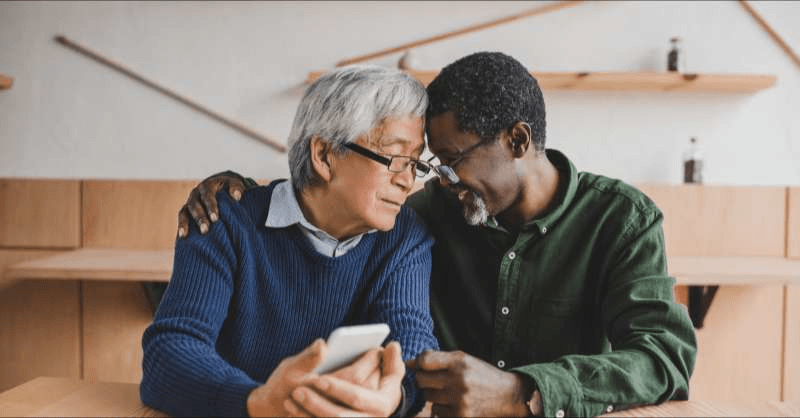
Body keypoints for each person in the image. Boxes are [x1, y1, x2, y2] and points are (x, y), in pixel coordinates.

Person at [178, 52, 697, 417]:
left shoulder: (620, 219)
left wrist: (526, 392)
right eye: (426, 164)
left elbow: (663, 357)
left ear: (517, 140)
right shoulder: (428, 213)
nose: (429, 180)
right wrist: (234, 191)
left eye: (449, 162)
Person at [141, 65, 439, 417]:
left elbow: (413, 347)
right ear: (324, 156)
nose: (407, 180)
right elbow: (170, 351)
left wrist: (396, 396)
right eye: (395, 158)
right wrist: (257, 402)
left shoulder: (405, 237)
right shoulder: (225, 220)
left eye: (415, 162)